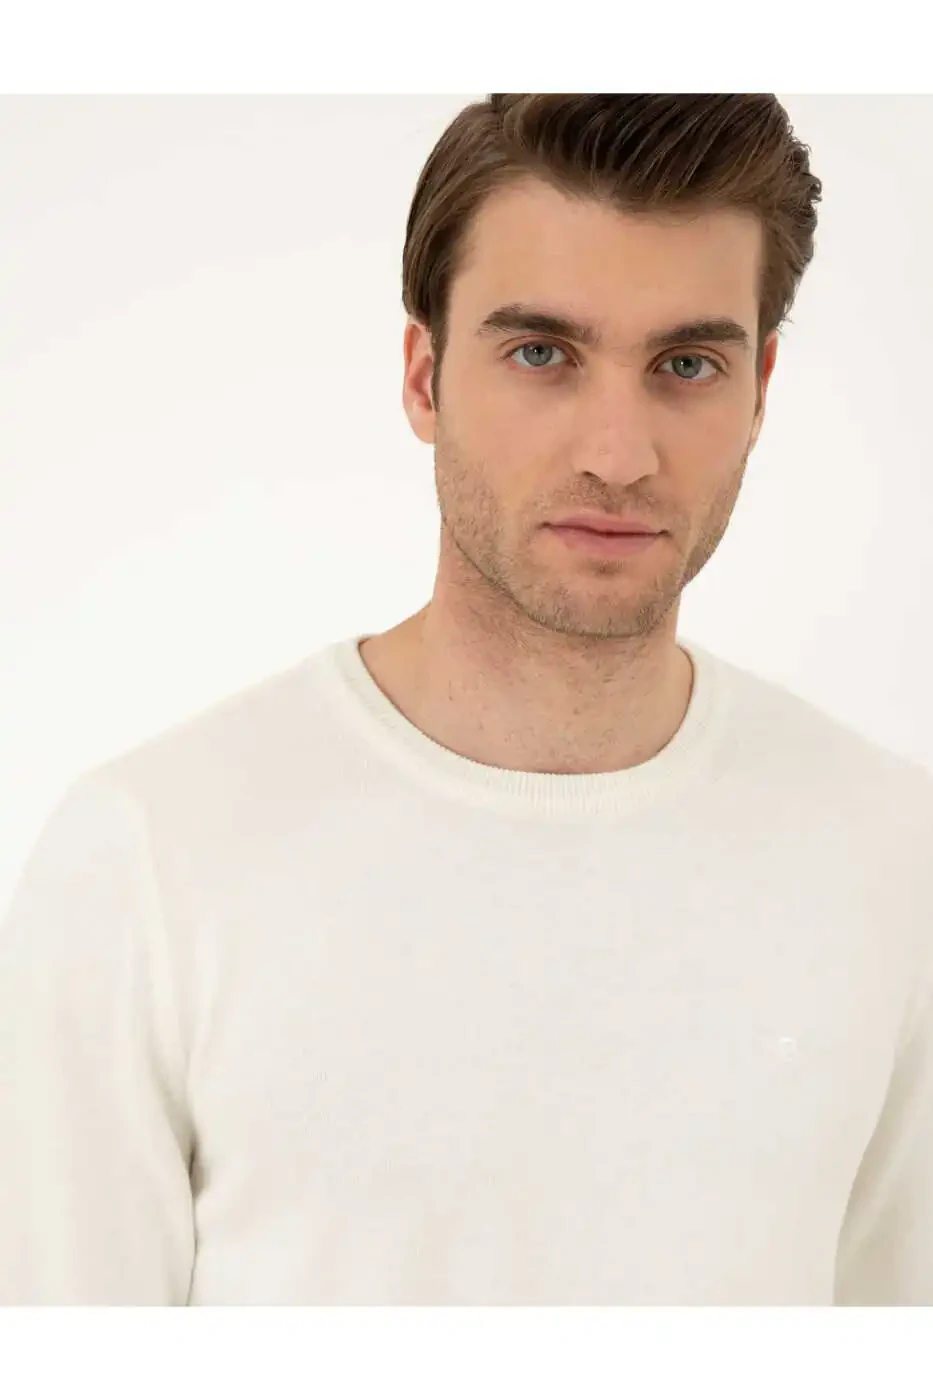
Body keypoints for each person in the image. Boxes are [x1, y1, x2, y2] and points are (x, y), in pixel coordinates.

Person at [2, 93, 932, 1307]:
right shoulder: (149, 859)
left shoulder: (892, 856)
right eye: (542, 353)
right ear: (424, 375)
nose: (618, 452)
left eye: (686, 365)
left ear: (758, 389)